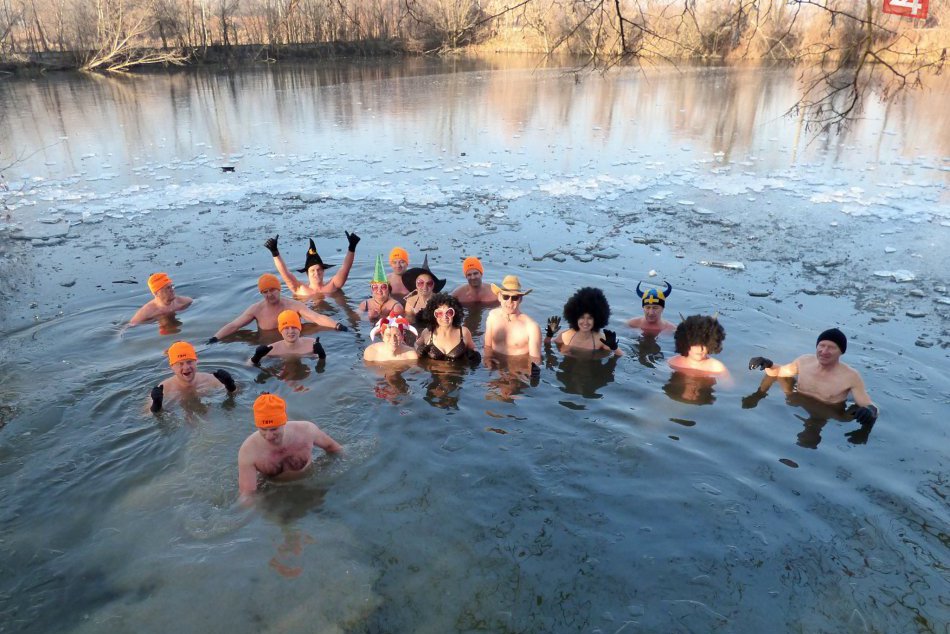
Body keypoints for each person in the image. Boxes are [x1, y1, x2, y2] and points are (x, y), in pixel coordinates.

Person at [748, 327, 878, 425]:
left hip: (828, 412)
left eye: (831, 347)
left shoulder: (851, 376)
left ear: (841, 352)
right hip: (799, 403)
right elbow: (779, 372)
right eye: (822, 345)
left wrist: (870, 412)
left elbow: (867, 403)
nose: (824, 351)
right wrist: (767, 363)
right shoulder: (804, 361)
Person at [238, 393, 342, 498]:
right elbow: (247, 494)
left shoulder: (307, 431)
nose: (269, 436)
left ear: (284, 422)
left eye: (274, 429)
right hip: (276, 494)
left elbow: (335, 449)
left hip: (311, 482)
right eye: (263, 429)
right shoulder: (248, 451)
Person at [210, 274, 347, 342]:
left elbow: (316, 318)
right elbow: (235, 325)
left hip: (293, 342)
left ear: (279, 289)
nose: (270, 294)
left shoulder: (294, 305)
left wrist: (337, 325)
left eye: (272, 290)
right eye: (265, 292)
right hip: (268, 343)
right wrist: (215, 338)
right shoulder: (256, 309)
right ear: (261, 293)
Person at [148, 341, 236, 413]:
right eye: (180, 364)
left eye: (189, 362)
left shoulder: (211, 379)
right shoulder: (164, 388)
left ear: (196, 362)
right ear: (172, 367)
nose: (186, 367)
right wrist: (156, 405)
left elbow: (236, 396)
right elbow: (146, 414)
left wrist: (230, 386)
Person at [263, 231, 359, 297]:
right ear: (307, 273)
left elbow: (345, 269)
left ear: (323, 271)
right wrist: (275, 253)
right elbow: (285, 273)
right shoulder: (300, 289)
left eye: (319, 269)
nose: (316, 273)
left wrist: (352, 248)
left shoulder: (332, 286)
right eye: (312, 270)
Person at [484, 275, 542, 377]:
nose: (509, 302)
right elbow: (487, 346)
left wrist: (534, 372)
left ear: (520, 300)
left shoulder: (531, 327)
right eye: (506, 297)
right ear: (499, 297)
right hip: (494, 368)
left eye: (514, 298)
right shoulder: (492, 316)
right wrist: (487, 360)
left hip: (517, 371)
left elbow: (535, 359)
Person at [545, 287, 622, 357]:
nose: (585, 322)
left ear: (597, 319)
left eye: (590, 318)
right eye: (582, 317)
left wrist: (614, 347)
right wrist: (549, 334)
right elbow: (546, 344)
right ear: (575, 318)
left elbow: (621, 355)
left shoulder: (602, 340)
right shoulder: (564, 335)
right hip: (569, 370)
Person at [415, 293, 480, 363]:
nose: (444, 317)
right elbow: (416, 344)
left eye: (449, 312)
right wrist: (418, 349)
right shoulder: (427, 332)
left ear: (455, 313)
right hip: (435, 372)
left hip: (458, 372)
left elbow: (473, 348)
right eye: (439, 313)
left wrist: (476, 355)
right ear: (433, 315)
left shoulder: (464, 332)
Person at [250, 309, 327, 365]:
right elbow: (248, 366)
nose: (291, 331)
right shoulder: (270, 350)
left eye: (294, 327)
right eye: (286, 328)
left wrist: (322, 355)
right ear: (280, 330)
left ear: (299, 328)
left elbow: (326, 364)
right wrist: (256, 357)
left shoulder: (312, 344)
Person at [129, 272, 194, 325]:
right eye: (167, 288)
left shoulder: (182, 301)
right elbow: (130, 325)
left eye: (171, 286)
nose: (172, 290)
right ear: (156, 293)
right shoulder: (147, 312)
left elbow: (195, 302)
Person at [402, 254, 447, 322]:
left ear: (433, 286)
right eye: (420, 283)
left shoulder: (441, 302)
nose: (424, 287)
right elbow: (409, 323)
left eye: (429, 283)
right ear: (416, 285)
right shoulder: (410, 302)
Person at [359, 255, 404, 321]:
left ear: (389, 289)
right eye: (375, 287)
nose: (379, 290)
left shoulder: (396, 307)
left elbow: (398, 324)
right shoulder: (365, 304)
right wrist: (369, 317)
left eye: (383, 287)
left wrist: (378, 317)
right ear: (371, 290)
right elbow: (356, 318)